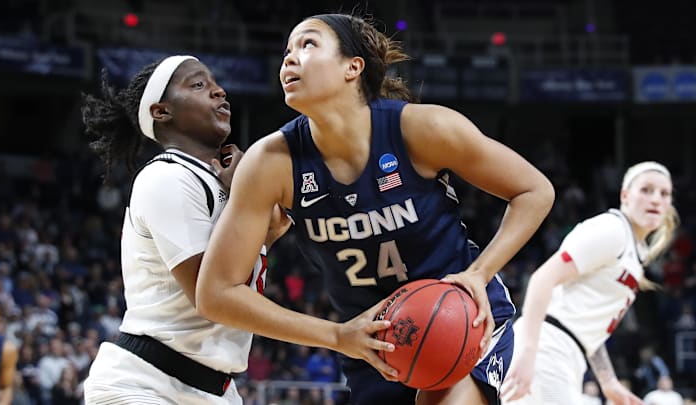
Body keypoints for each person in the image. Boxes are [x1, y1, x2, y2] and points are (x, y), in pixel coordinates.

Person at [195, 13, 554, 405]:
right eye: (287, 51)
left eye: (308, 44)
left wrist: (479, 273)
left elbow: (534, 190)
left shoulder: (423, 129)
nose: (289, 59)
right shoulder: (271, 162)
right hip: (372, 347)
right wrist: (336, 335)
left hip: (457, 321)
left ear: (353, 67)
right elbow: (215, 293)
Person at [81, 55, 288, 404]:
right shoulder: (167, 177)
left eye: (215, 83)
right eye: (198, 85)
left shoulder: (223, 181)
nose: (219, 91)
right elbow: (212, 299)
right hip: (144, 385)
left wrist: (253, 207)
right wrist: (335, 336)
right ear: (162, 111)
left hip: (213, 389)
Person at [501, 161, 678, 405]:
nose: (656, 199)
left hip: (567, 354)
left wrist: (608, 382)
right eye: (646, 190)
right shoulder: (612, 229)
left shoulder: (636, 252)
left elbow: (587, 327)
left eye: (664, 193)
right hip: (547, 347)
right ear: (625, 196)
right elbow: (543, 278)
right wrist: (529, 352)